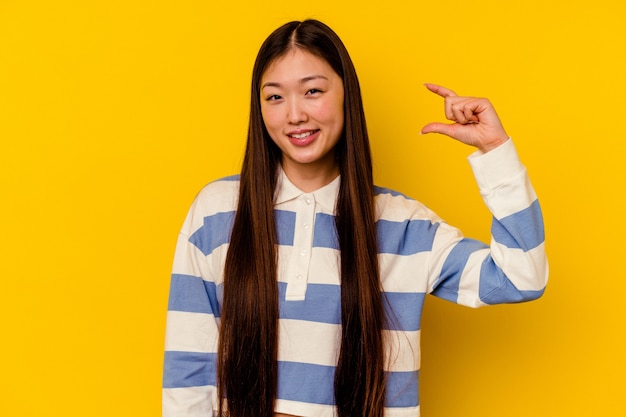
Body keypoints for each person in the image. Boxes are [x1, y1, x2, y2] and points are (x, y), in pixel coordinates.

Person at [162, 19, 548, 417]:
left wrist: (495, 151)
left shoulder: (403, 226)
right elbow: (187, 374)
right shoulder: (217, 211)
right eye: (274, 97)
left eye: (313, 91)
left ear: (347, 95)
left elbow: (521, 277)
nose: (294, 114)